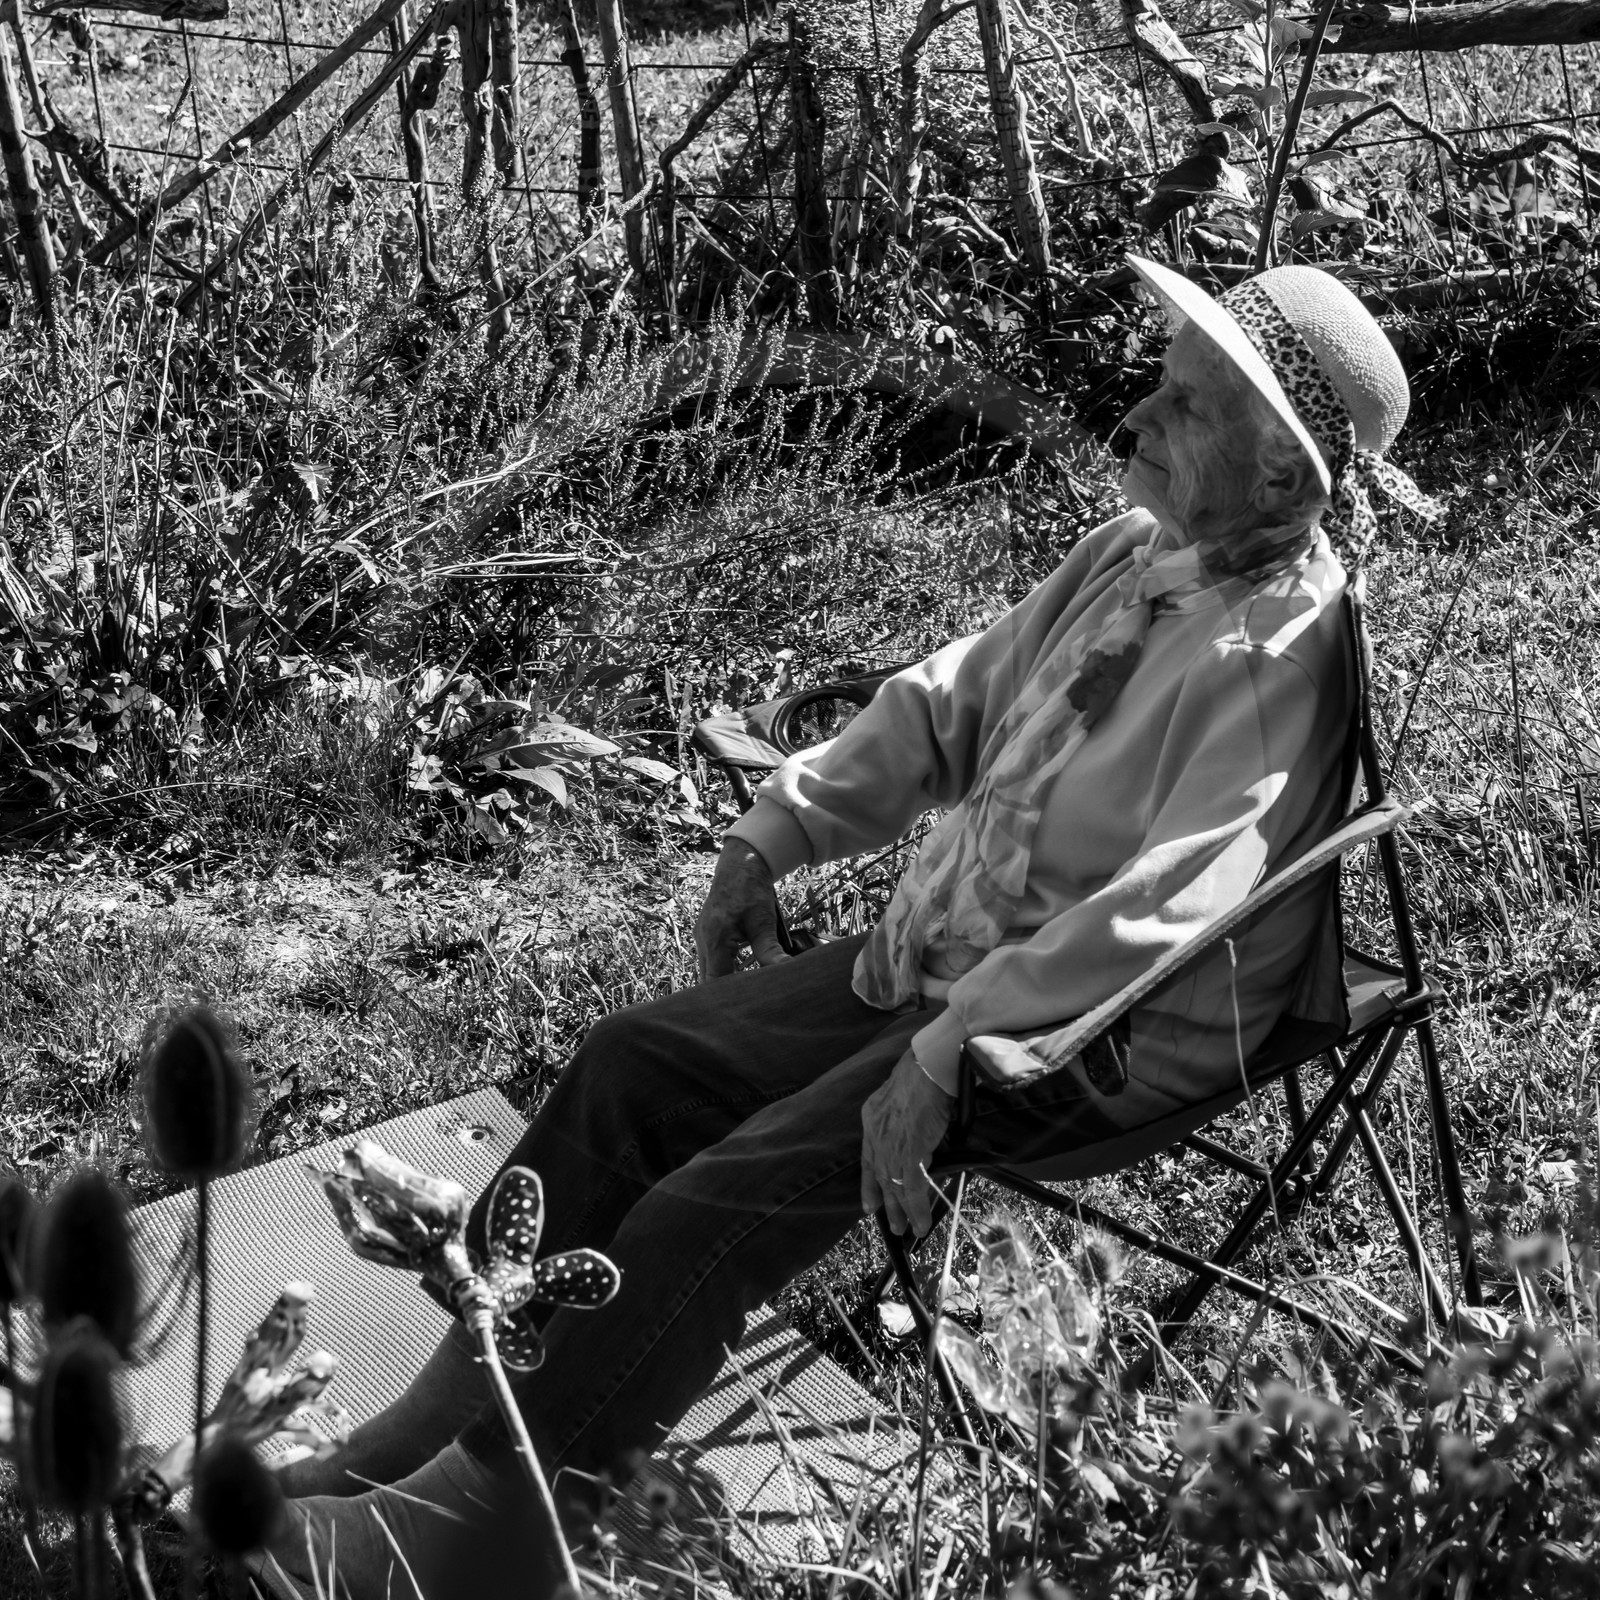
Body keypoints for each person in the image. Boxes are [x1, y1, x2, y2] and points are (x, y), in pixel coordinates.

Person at [256, 258, 1437, 1599]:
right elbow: (951, 704)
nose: (1135, 424)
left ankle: (478, 1530)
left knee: (720, 1197)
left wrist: (946, 1053)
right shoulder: (1135, 554)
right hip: (961, 960)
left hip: (1092, 1029)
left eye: (1183, 407)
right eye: (1159, 387)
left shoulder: (1276, 649)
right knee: (633, 1068)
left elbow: (1173, 908)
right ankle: (444, 1417)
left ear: (1283, 482)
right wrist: (776, 829)